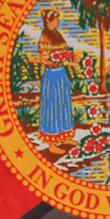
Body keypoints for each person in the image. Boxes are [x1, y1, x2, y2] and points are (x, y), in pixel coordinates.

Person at [36, 8, 75, 146]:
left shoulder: (57, 34)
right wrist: (55, 60)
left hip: (61, 73)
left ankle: (65, 136)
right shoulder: (45, 36)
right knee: (52, 105)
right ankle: (52, 143)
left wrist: (68, 58)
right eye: (55, 19)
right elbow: (44, 58)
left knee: (64, 103)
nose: (58, 21)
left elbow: (64, 52)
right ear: (48, 21)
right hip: (52, 74)